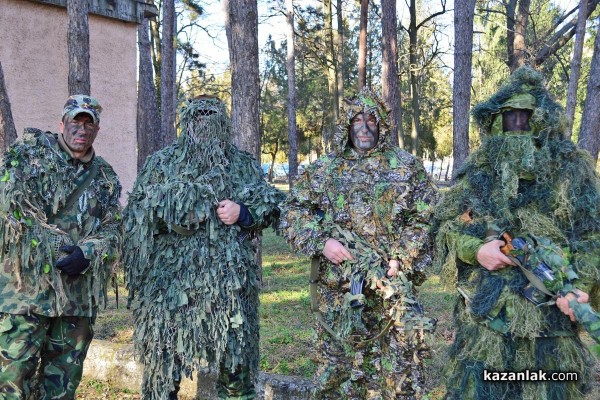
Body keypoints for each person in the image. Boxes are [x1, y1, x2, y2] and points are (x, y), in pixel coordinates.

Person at [433, 66, 600, 399]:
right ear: (496, 123)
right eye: (510, 118)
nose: (518, 126)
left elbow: (592, 236)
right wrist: (475, 250)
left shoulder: (571, 171)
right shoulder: (479, 172)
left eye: (526, 118)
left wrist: (579, 288)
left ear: (543, 121)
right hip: (487, 329)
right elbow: (447, 225)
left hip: (552, 330)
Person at [280, 89, 437, 399]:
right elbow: (291, 212)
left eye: (371, 120)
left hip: (392, 294)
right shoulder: (324, 170)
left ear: (382, 125)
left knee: (402, 378)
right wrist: (322, 242)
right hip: (339, 295)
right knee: (338, 377)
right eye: (357, 120)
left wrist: (400, 258)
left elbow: (427, 217)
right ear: (347, 126)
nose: (364, 127)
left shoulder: (406, 167)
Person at [123, 96, 284, 400]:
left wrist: (243, 213)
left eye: (211, 115)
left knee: (236, 376)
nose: (204, 122)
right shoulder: (162, 163)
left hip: (229, 293)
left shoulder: (242, 164)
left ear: (224, 122)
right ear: (186, 122)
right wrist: (175, 208)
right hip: (169, 291)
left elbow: (272, 205)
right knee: (162, 378)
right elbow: (136, 214)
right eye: (197, 116)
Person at [0, 95, 122, 398]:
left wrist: (88, 253)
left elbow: (115, 227)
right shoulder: (29, 159)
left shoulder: (105, 176)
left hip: (75, 299)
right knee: (12, 383)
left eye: (88, 124)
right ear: (62, 123)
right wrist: (55, 246)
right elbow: (14, 211)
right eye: (75, 122)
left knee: (62, 387)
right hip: (24, 295)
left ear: (96, 129)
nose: (81, 129)